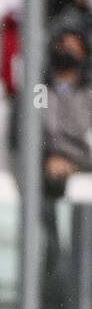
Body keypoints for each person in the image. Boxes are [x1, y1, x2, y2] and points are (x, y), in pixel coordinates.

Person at [43, 29, 92, 192]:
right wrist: (48, 158)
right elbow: (32, 129)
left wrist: (75, 165)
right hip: (46, 167)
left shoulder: (88, 93)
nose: (66, 49)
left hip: (83, 165)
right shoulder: (40, 90)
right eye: (62, 45)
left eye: (72, 47)